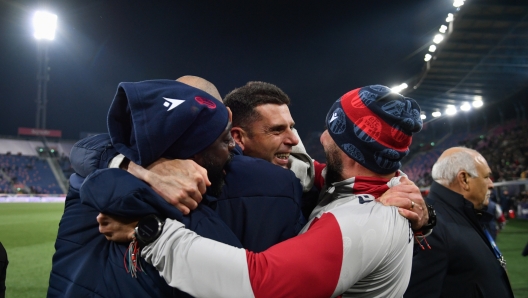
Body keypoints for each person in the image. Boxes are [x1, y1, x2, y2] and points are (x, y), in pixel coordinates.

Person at [105, 84, 424, 297]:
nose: (311, 136)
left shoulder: (360, 220)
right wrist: (139, 166)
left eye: (333, 126)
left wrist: (152, 233)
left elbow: (261, 282)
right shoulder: (358, 184)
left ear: (347, 143)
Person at [47, 78, 244, 297]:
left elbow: (86, 151)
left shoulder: (82, 187)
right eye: (225, 139)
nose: (233, 147)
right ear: (197, 153)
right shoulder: (203, 226)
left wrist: (134, 165)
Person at [404, 147, 514, 298]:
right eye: (486, 177)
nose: (491, 184)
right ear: (464, 179)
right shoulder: (430, 226)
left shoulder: (462, 215)